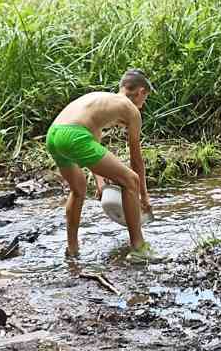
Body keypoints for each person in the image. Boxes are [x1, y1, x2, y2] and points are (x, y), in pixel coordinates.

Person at [46, 69, 154, 257]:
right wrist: (143, 197)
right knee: (131, 180)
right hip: (74, 135)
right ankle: (139, 247)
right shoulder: (131, 109)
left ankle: (72, 249)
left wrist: (101, 183)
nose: (143, 105)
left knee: (78, 189)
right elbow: (136, 160)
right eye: (145, 100)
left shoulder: (100, 99)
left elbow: (93, 144)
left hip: (53, 135)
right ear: (141, 92)